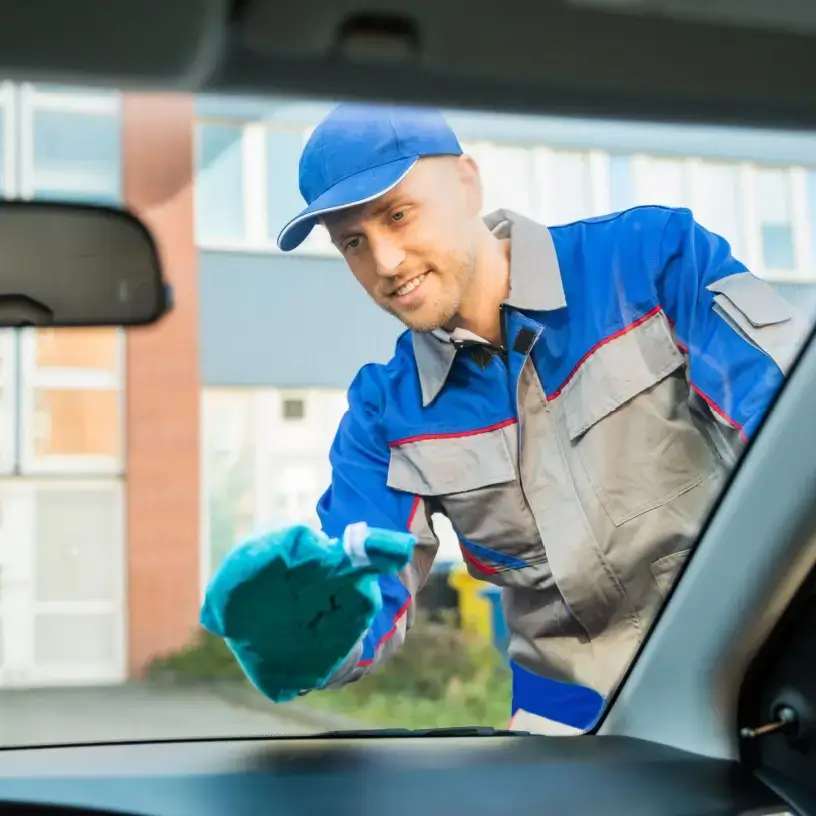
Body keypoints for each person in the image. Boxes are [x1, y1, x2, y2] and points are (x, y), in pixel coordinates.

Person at [200, 103, 809, 734]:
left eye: (398, 215)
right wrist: (309, 637)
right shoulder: (384, 414)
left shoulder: (650, 262)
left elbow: (794, 432)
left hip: (756, 672)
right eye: (352, 242)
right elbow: (366, 591)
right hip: (565, 722)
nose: (384, 262)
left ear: (466, 182)